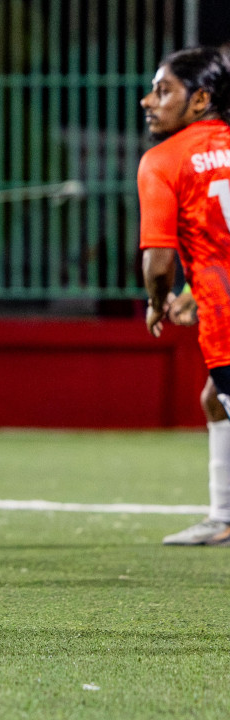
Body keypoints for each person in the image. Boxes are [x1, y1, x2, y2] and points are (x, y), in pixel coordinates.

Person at [138, 47, 230, 546]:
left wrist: (158, 301)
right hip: (215, 300)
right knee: (214, 401)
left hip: (228, 323)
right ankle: (223, 517)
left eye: (163, 89)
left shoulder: (164, 160)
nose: (148, 100)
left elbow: (158, 261)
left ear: (200, 101)